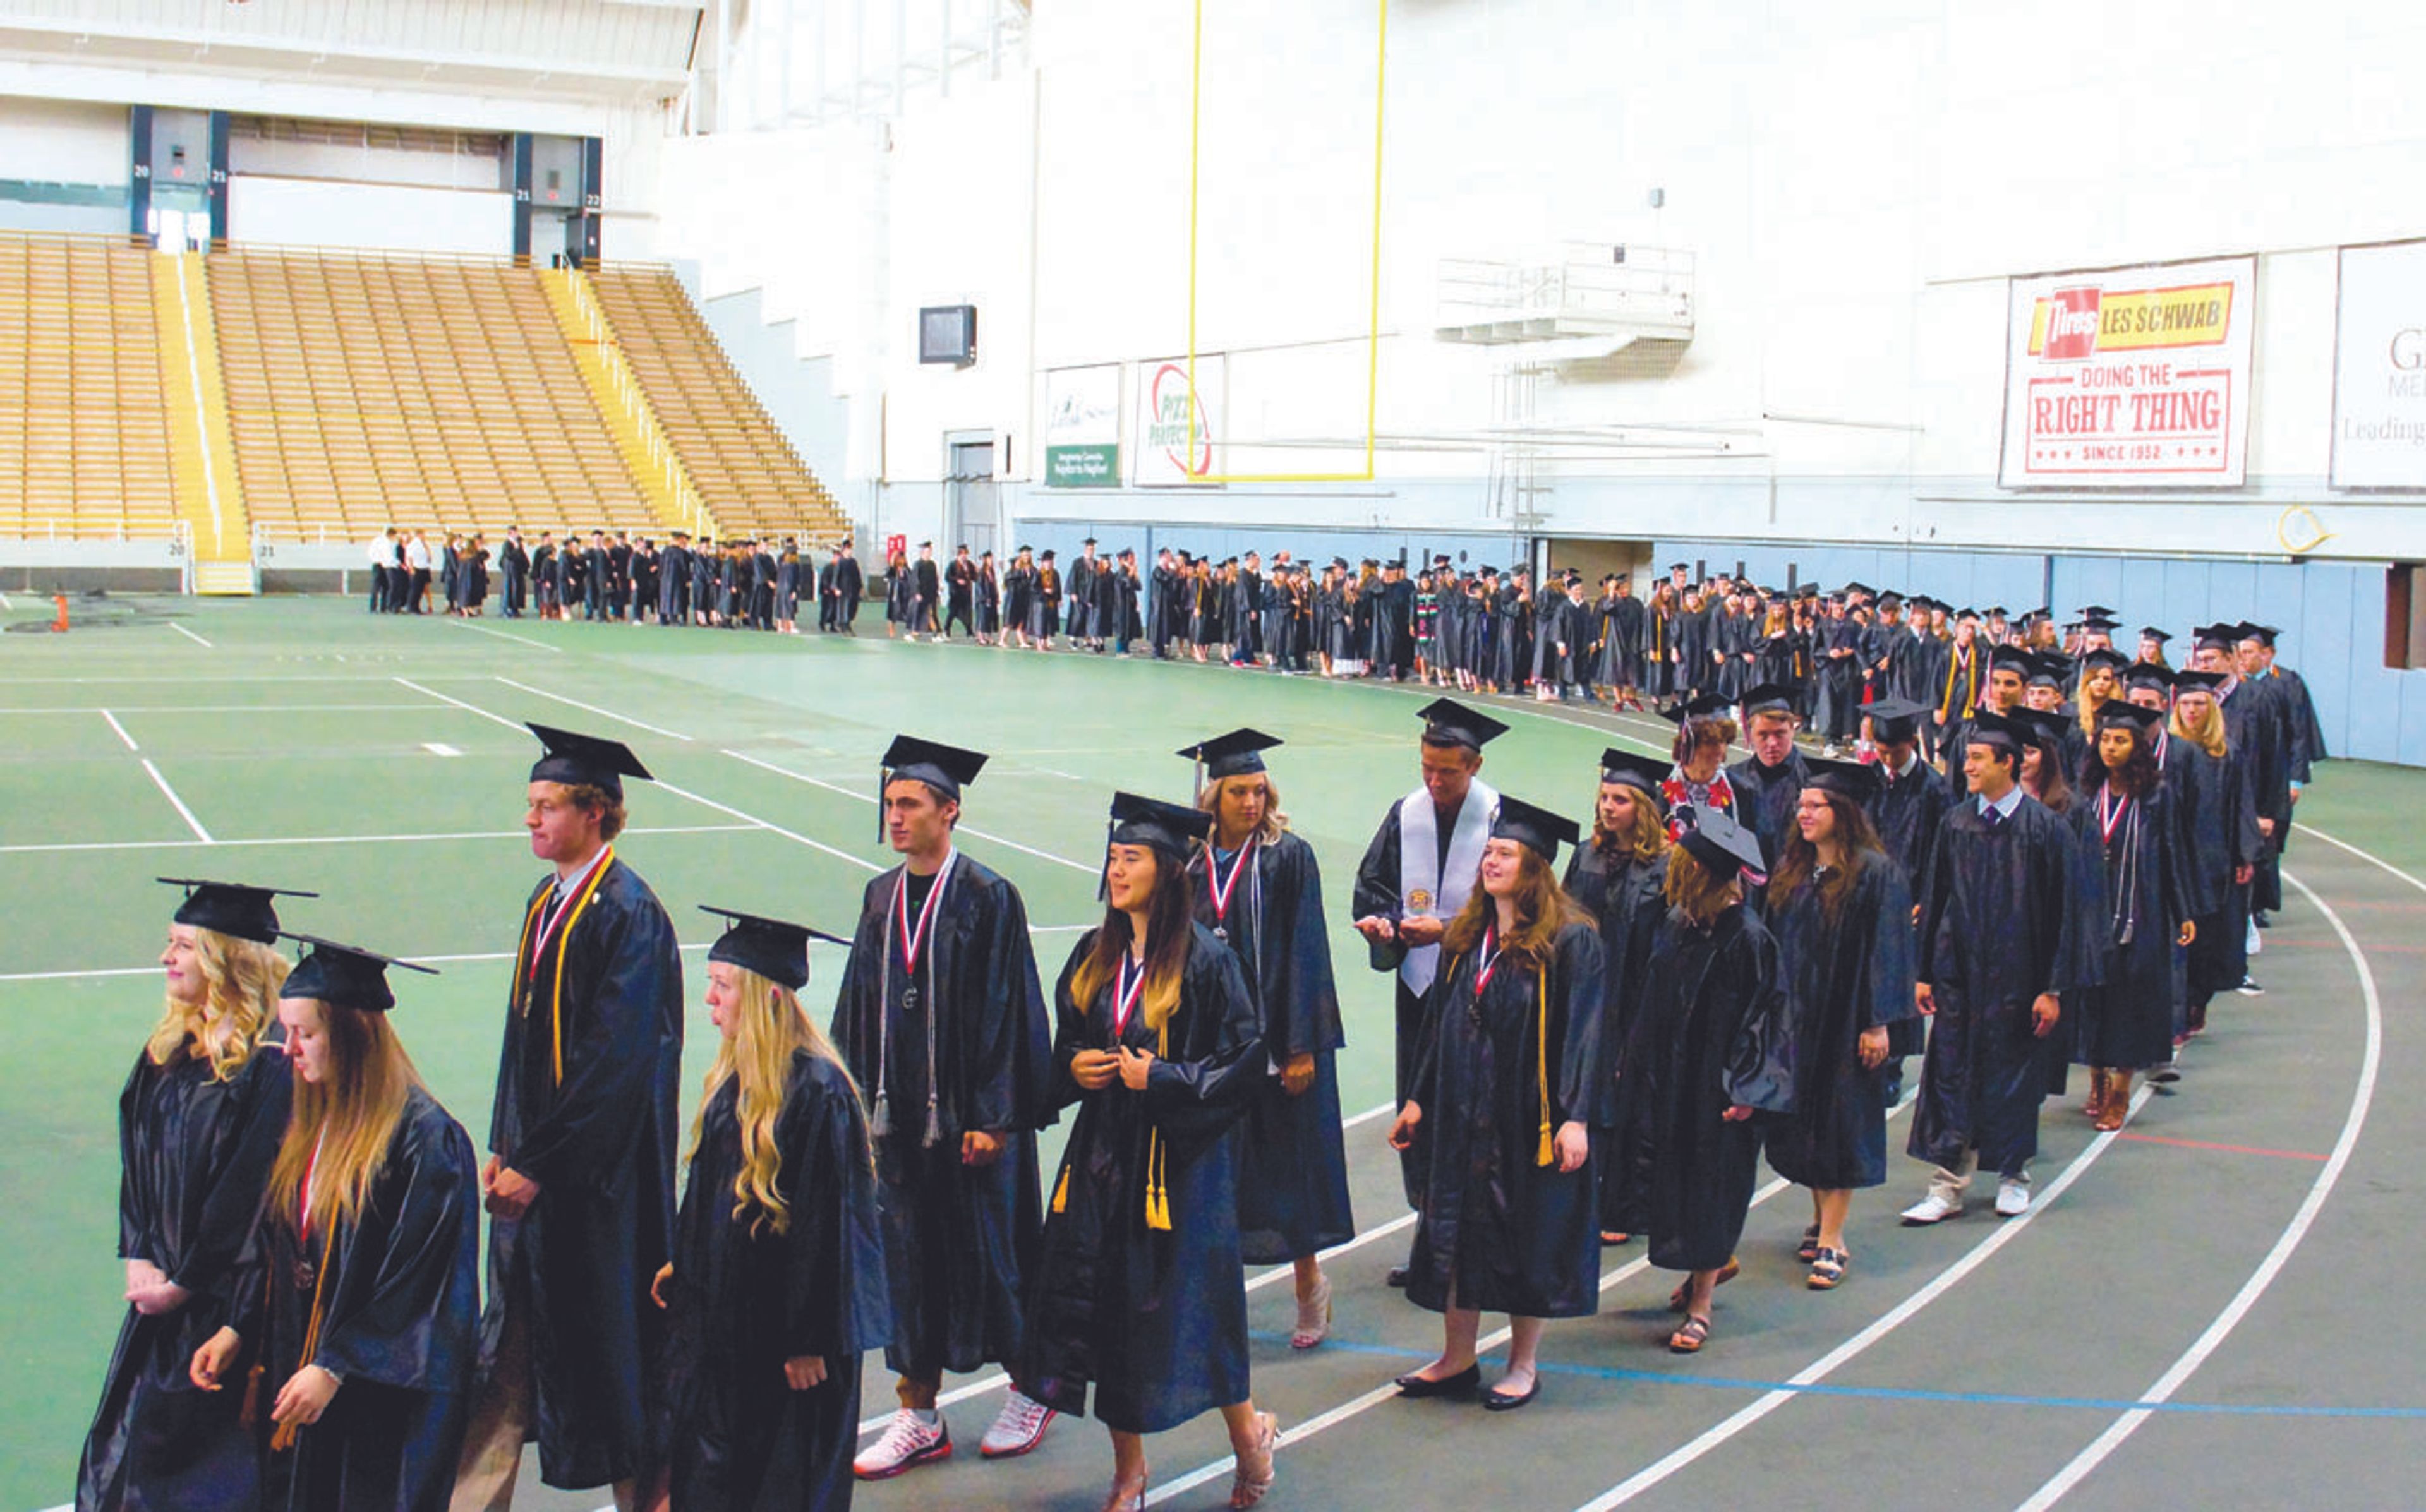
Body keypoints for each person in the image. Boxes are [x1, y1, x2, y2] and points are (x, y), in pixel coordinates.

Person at [1020, 793, 1277, 1512]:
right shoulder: (1095, 955)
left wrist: (1160, 1077)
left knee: (1198, 1315)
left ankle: (1249, 1439)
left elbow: (1246, 1061)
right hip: (1103, 1159)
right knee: (1110, 1316)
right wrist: (1074, 1069)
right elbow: (1066, 1039)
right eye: (1113, 857)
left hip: (1178, 1171)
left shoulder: (1208, 961)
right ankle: (1129, 1475)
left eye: (1131, 858)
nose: (1117, 868)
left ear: (1166, 871)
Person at [450, 727, 684, 1512]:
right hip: (534, 1174)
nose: (531, 821)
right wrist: (504, 1141)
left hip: (599, 1193)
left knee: (613, 1353)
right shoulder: (545, 903)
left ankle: (645, 1499)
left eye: (547, 806)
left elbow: (615, 1068)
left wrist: (540, 1163)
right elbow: (523, 1037)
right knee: (506, 1353)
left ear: (595, 812)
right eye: (529, 805)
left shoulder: (628, 914)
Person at [189, 935, 480, 1512]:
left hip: (382, 1393)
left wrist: (335, 1365)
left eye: (307, 1034)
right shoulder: (313, 1124)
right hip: (313, 1371)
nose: (289, 1050)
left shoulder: (424, 1141)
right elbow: (286, 1249)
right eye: (287, 1031)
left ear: (352, 1037)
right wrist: (239, 1326)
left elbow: (418, 1282)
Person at [835, 737, 1059, 1477]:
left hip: (972, 1126)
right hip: (898, 1126)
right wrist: (850, 1101)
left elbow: (1013, 1011)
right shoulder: (880, 897)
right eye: (890, 804)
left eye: (910, 805)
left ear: (950, 811)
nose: (895, 818)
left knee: (994, 1256)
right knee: (908, 1263)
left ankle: (1032, 1390)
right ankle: (918, 1412)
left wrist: (995, 1117)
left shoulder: (989, 897)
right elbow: (859, 1005)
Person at [79, 880, 306, 1512]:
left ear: (225, 959)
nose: (165, 958)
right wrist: (141, 1252)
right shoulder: (170, 1052)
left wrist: (190, 1281)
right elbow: (139, 1162)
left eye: (182, 945)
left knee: (207, 1478)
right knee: (132, 1460)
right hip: (165, 1299)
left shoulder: (270, 1065)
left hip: (233, 1304)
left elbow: (249, 1195)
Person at [655, 909, 890, 1512]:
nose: (709, 999)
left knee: (780, 1482)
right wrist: (687, 1264)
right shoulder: (734, 1082)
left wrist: (809, 1340)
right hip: (728, 1329)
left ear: (768, 998)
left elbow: (828, 1230)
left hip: (788, 1346)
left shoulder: (819, 1093)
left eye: (724, 986)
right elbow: (707, 1194)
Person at [1388, 796, 1607, 1407]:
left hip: (1527, 1116)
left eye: (1504, 853)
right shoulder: (1468, 937)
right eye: (1488, 851)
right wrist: (1418, 1100)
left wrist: (1578, 1118)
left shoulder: (1572, 942)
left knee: (1523, 1235)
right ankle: (1457, 1359)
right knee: (1456, 1233)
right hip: (1462, 1111)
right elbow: (1438, 1025)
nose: (1491, 861)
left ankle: (1523, 1363)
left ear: (1535, 866)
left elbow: (1585, 1034)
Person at [1180, 729, 1353, 1348]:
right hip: (1211, 1047)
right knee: (1215, 1176)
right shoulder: (1190, 858)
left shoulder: (1287, 856)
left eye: (1258, 791)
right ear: (1214, 795)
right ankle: (1214, 1303)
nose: (1251, 803)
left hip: (1277, 1040)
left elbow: (1307, 950)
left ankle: (1310, 1287)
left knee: (1289, 1167)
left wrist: (1300, 1044)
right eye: (1238, 792)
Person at [1903, 712, 2100, 1224]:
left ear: (2007, 763)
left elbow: (2066, 915)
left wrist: (2053, 987)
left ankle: (2013, 1174)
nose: (1965, 767)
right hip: (1959, 976)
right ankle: (1947, 1185)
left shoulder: (2047, 830)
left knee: (2014, 1078)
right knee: (1949, 1074)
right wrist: (1924, 971)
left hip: (2019, 978)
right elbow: (1935, 896)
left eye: (1976, 759)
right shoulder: (1957, 823)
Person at [1617, 808, 1792, 1352]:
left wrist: (1746, 1090)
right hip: (1673, 1079)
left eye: (1683, 869)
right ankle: (1706, 1269)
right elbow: (1652, 997)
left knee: (1711, 1190)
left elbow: (1769, 1021)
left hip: (1719, 1089)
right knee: (1675, 1184)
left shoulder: (1750, 938)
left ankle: (1701, 1307)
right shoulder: (1678, 924)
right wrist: (1634, 1059)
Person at [1350, 699, 1506, 1286]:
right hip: (1420, 992)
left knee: (1470, 1112)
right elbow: (1372, 886)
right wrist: (1384, 923)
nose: (1435, 782)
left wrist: (1451, 932)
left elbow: (1522, 907)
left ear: (1476, 765)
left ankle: (1473, 1240)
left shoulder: (1500, 820)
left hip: (1481, 994)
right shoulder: (1406, 814)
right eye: (1427, 768)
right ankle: (1428, 1236)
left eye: (1448, 772)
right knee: (1416, 1108)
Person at [1761, 762, 1918, 1290]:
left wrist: (1878, 1023)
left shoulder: (1877, 873)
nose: (1802, 813)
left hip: (1851, 1018)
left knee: (1841, 1122)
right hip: (1799, 1019)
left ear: (1843, 813)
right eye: (1801, 805)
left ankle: (1833, 1238)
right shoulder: (1795, 870)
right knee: (1805, 1124)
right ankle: (1819, 1218)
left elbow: (1891, 951)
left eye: (1815, 806)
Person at [1561, 751, 1673, 1245]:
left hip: (1638, 997)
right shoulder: (1584, 855)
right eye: (1605, 797)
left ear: (1644, 808)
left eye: (1621, 799)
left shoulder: (1666, 867)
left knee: (1631, 1101)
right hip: (1585, 993)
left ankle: (1627, 1203)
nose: (1609, 807)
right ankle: (1584, 1198)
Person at [2070, 702, 2197, 1129]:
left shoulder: (2157, 796)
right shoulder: (2087, 794)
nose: (2111, 748)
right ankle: (2097, 1078)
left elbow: (2174, 853)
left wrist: (2183, 911)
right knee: (2093, 1000)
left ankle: (2122, 1088)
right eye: (2105, 740)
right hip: (2093, 913)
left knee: (2130, 1004)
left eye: (2120, 741)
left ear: (2137, 747)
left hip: (2140, 916)